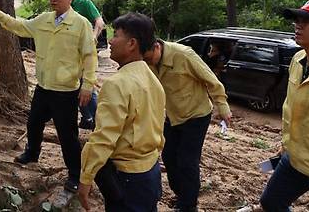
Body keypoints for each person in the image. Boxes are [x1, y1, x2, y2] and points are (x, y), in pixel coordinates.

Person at [0, 0, 97, 193]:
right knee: (34, 123)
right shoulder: (44, 20)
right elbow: (20, 26)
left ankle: (74, 174)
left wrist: (88, 85)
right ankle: (32, 153)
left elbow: (90, 56)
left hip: (66, 91)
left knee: (67, 134)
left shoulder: (81, 24)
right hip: (44, 87)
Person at [78, 12, 165, 211]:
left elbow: (104, 137)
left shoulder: (116, 84)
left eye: (116, 35)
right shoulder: (153, 80)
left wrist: (86, 177)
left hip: (128, 177)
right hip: (150, 172)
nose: (110, 40)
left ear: (131, 43)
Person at [143, 37, 232, 212]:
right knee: (168, 157)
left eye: (147, 58)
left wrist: (222, 105)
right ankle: (182, 194)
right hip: (172, 116)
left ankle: (189, 205)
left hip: (196, 115)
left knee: (187, 161)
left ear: (156, 47)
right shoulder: (147, 60)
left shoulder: (184, 55)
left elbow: (211, 80)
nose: (146, 62)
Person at [260, 0, 309, 211]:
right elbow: (290, 109)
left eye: (306, 21)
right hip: (295, 157)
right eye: (297, 20)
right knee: (271, 202)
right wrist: (286, 144)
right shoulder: (298, 60)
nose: (298, 25)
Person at [62, 0, 105, 130]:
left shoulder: (84, 3)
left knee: (87, 86)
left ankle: (99, 121)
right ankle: (87, 118)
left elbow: (99, 22)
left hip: (84, 54)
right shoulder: (61, 4)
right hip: (67, 54)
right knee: (74, 87)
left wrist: (93, 36)